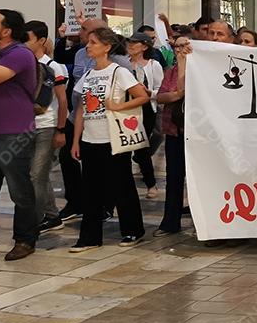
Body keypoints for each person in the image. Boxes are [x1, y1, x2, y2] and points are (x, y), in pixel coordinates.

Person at [70, 27, 150, 251]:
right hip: (90, 138)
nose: (88, 46)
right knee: (90, 189)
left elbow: (142, 96)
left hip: (113, 138)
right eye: (88, 42)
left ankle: (133, 230)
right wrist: (76, 140)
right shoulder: (87, 75)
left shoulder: (119, 72)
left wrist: (118, 106)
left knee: (121, 185)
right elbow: (81, 110)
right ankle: (90, 237)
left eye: (93, 42)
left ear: (106, 47)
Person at [0, 10, 42, 261]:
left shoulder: (20, 54)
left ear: (7, 31)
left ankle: (25, 240)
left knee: (19, 189)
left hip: (15, 132)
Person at [24, 21, 69, 233]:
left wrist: (60, 129)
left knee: (36, 175)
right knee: (36, 174)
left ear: (41, 40)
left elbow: (62, 100)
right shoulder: (23, 62)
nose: (23, 43)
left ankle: (34, 221)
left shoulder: (53, 66)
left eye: (27, 39)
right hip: (25, 127)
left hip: (46, 125)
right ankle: (51, 215)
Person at [155, 36, 189, 237]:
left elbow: (183, 90)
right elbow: (161, 96)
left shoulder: (203, 70)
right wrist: (177, 94)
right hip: (174, 130)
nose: (179, 50)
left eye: (184, 45)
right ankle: (170, 222)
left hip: (198, 134)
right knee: (174, 177)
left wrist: (176, 93)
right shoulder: (170, 71)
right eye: (177, 46)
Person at [127, 32, 164, 199]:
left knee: (141, 145)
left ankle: (151, 183)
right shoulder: (124, 64)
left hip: (147, 108)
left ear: (144, 46)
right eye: (130, 42)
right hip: (127, 108)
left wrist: (150, 93)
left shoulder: (153, 65)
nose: (131, 45)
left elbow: (160, 89)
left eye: (135, 43)